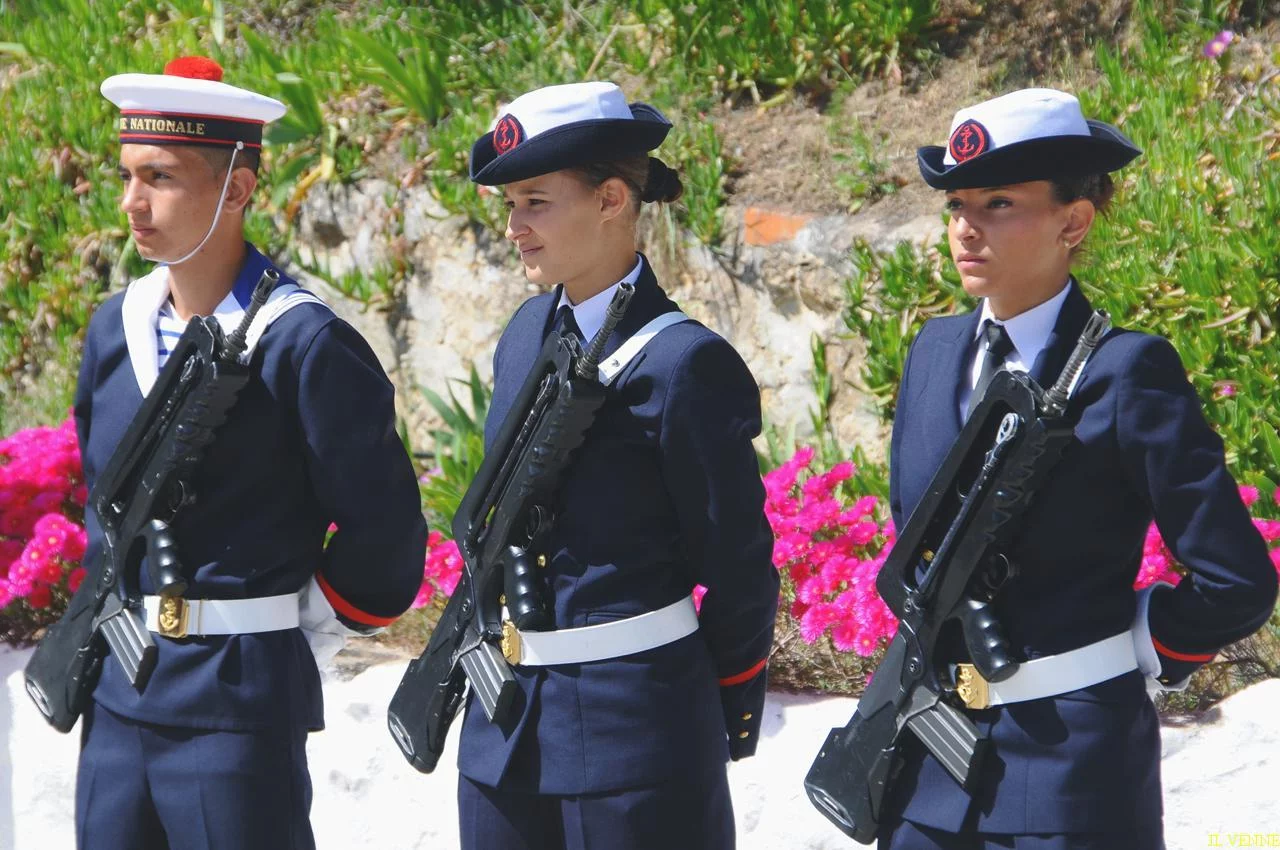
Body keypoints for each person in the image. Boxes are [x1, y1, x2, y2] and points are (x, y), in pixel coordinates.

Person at [880, 87, 1278, 849]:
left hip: (1070, 774)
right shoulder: (933, 352)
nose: (966, 227)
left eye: (998, 203)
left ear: (1074, 221)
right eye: (957, 204)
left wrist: (1140, 645)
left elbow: (1236, 579)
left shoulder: (1127, 372)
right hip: (925, 770)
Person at [73, 57, 427, 849]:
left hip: (235, 704)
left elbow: (385, 531)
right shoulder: (113, 328)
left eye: (160, 177)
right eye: (127, 176)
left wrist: (294, 626)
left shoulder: (302, 343)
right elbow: (105, 507)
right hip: (117, 700)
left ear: (236, 189)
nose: (132, 202)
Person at [453, 81, 779, 850]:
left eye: (536, 202)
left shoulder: (683, 363)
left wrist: (702, 703)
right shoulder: (525, 333)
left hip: (636, 736)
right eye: (510, 205)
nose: (515, 227)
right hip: (504, 736)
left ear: (610, 199)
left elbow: (738, 568)